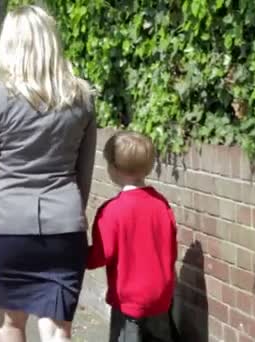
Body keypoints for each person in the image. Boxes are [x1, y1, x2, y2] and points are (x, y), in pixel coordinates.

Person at [0, 5, 96, 342]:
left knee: (10, 323)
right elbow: (85, 172)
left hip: (7, 227)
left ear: (9, 45)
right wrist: (73, 213)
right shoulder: (80, 97)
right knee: (57, 329)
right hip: (64, 226)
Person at [87, 131, 178, 342]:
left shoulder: (111, 211)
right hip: (160, 296)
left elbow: (101, 255)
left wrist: (78, 256)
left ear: (113, 168)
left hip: (128, 299)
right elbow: (171, 247)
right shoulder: (161, 204)